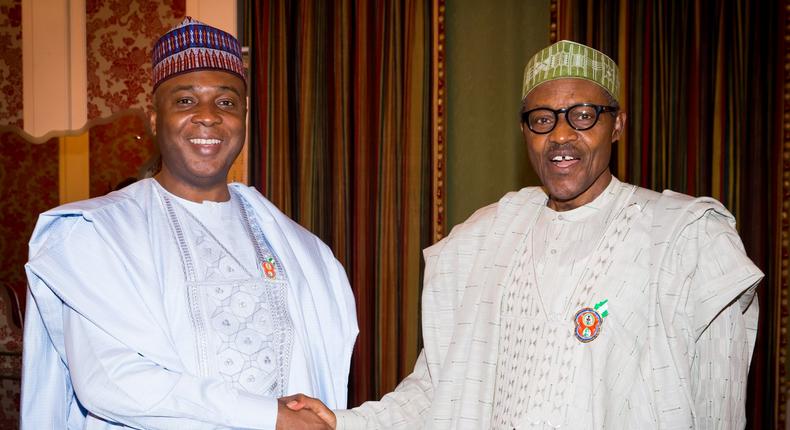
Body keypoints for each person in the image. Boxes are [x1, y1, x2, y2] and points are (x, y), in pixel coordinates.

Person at [288, 40, 763, 429]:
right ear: (526, 132)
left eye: (583, 115)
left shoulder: (684, 239)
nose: (560, 135)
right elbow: (437, 390)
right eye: (542, 120)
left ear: (617, 125)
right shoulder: (482, 241)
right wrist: (342, 424)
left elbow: (716, 404)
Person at [21, 17, 357, 429]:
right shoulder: (98, 234)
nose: (208, 117)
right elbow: (109, 380)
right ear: (155, 115)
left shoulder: (298, 247)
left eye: (226, 102)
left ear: (244, 117)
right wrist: (268, 416)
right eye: (184, 100)